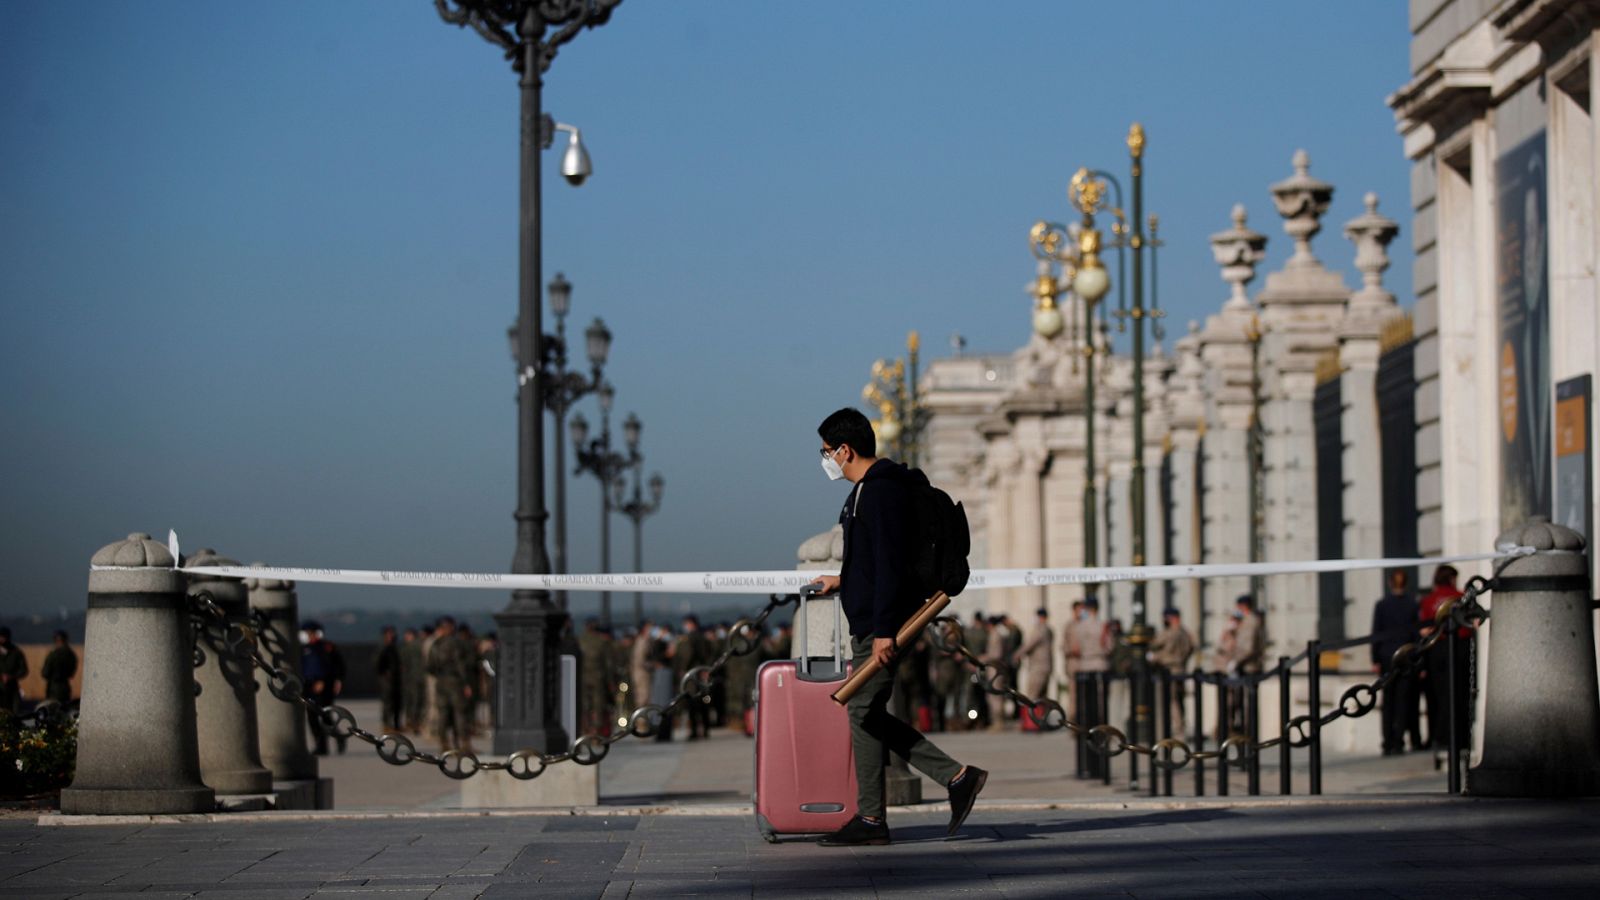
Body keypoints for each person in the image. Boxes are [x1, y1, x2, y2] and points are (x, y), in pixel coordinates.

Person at [807, 407, 985, 847]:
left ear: (845, 450)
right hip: (874, 618)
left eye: (826, 451)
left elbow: (889, 563)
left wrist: (885, 629)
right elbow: (874, 561)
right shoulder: (870, 491)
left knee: (861, 710)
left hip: (882, 624)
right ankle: (950, 781)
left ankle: (878, 816)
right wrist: (841, 580)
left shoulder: (879, 492)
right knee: (864, 711)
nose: (825, 460)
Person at [1419, 565, 1471, 755]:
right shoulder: (1461, 597)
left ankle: (1440, 736)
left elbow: (1424, 629)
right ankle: (1461, 736)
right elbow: (1469, 625)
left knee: (1440, 695)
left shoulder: (1428, 601)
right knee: (1460, 693)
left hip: (1438, 650)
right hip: (1459, 646)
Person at [1372, 569, 1422, 756]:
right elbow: (1416, 634)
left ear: (1390, 583)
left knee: (1388, 701)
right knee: (1403, 700)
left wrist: (1375, 658)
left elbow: (1376, 632)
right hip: (1406, 655)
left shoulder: (1382, 605)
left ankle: (1387, 741)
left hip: (1386, 655)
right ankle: (1399, 740)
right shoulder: (1412, 604)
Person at [427, 616, 475, 754]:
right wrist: (466, 683)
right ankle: (464, 743)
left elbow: (429, 666)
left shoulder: (435, 644)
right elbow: (461, 664)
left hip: (441, 682)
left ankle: (444, 743)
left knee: (443, 713)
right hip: (455, 682)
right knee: (460, 713)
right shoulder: (455, 643)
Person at [1148, 608, 1195, 734]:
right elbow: (1190, 648)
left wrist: (1155, 657)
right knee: (1179, 700)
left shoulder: (1171, 632)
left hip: (1169, 669)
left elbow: (1158, 645)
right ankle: (1181, 726)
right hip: (1181, 669)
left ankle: (1176, 728)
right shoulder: (1185, 632)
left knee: (1171, 700)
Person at [673, 616, 712, 740]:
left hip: (692, 673)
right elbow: (707, 654)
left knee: (692, 703)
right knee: (703, 702)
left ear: (691, 624)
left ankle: (695, 730)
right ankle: (705, 729)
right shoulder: (702, 637)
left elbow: (688, 654)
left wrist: (683, 668)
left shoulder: (690, 638)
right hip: (702, 671)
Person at [300, 620, 332, 755]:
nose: (310, 635)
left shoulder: (324, 648)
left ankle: (328, 743)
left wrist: (322, 680)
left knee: (324, 716)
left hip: (320, 684)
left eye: (312, 633)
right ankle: (319, 744)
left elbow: (328, 666)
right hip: (307, 684)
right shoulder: (305, 649)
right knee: (312, 718)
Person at [375, 625, 403, 732]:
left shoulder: (394, 647)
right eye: (390, 634)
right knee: (388, 702)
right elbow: (377, 663)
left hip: (396, 678)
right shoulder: (383, 648)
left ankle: (396, 724)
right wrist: (384, 673)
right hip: (387, 679)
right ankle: (386, 724)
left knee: (397, 702)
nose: (392, 636)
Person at [41, 630, 77, 707]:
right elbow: (72, 673)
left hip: (54, 688)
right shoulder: (71, 654)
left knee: (53, 709)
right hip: (65, 686)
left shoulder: (54, 654)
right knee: (64, 709)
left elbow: (45, 672)